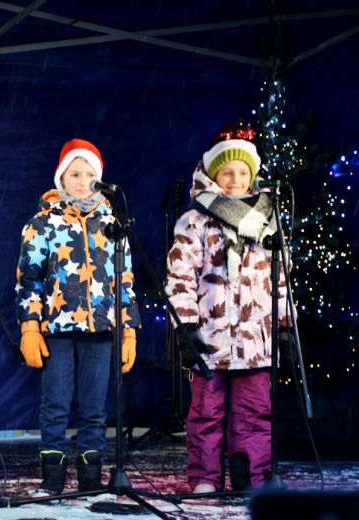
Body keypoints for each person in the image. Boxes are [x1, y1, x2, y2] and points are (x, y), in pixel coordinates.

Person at [165, 123, 290, 493]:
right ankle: (205, 477)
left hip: (256, 340)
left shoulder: (268, 220)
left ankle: (248, 475)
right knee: (205, 411)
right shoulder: (195, 220)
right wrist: (184, 327)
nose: (235, 179)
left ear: (252, 176)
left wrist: (283, 326)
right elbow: (180, 277)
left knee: (253, 413)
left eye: (242, 172)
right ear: (213, 174)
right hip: (211, 338)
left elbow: (280, 280)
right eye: (227, 172)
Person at [15, 138, 141, 495]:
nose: (83, 180)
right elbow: (29, 280)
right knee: (55, 403)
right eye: (75, 173)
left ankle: (90, 480)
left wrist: (129, 332)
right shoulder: (43, 223)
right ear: (61, 178)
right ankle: (52, 478)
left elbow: (125, 280)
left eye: (90, 174)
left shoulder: (112, 224)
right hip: (56, 327)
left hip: (100, 329)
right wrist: (30, 328)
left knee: (94, 407)